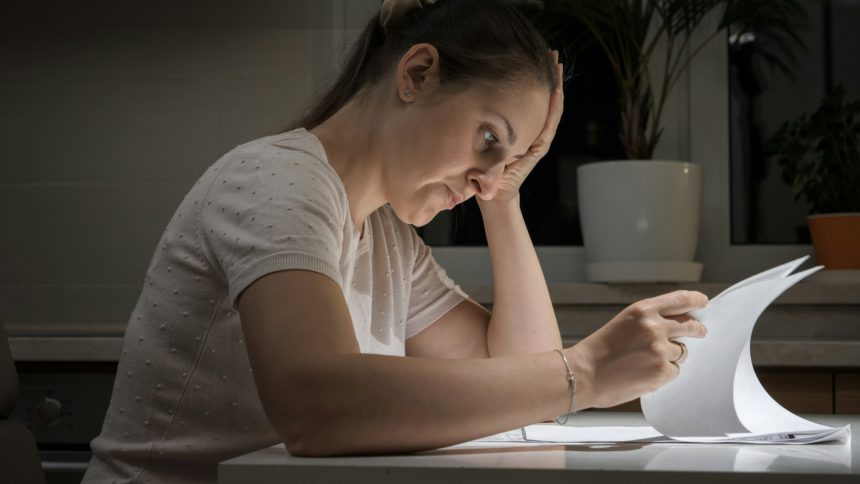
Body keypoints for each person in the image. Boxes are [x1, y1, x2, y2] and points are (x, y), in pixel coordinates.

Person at [83, 0, 707, 482]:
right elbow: (316, 408)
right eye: (489, 139)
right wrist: (587, 371)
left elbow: (518, 382)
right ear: (417, 73)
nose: (488, 175)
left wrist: (505, 196)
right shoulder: (275, 179)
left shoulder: (387, 235)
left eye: (512, 158)